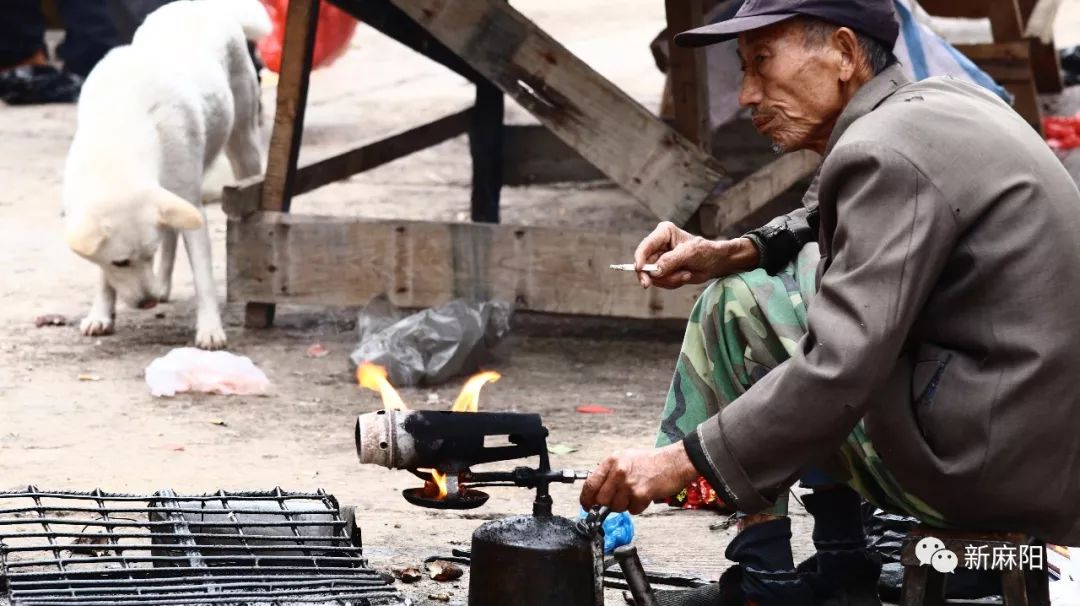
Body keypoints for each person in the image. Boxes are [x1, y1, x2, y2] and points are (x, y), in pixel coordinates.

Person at [579, 0, 1080, 604]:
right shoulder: (938, 103)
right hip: (1035, 442)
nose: (745, 94)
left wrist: (679, 462)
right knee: (784, 274)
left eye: (762, 62)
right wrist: (733, 249)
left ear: (843, 53)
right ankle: (844, 558)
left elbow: (837, 370)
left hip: (983, 467)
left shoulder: (883, 152)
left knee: (738, 308)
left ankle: (765, 577)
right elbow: (826, 216)